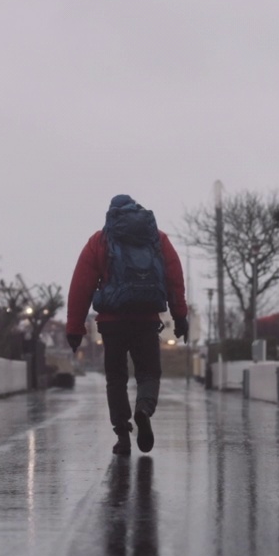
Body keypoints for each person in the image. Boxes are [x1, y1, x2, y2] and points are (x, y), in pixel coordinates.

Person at [66, 194, 189, 456]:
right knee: (148, 373)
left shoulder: (99, 241)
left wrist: (75, 329)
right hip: (146, 319)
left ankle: (123, 435)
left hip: (112, 323)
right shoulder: (157, 238)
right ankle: (143, 409)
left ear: (111, 214)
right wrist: (180, 317)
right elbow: (174, 278)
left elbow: (81, 287)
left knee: (116, 378)